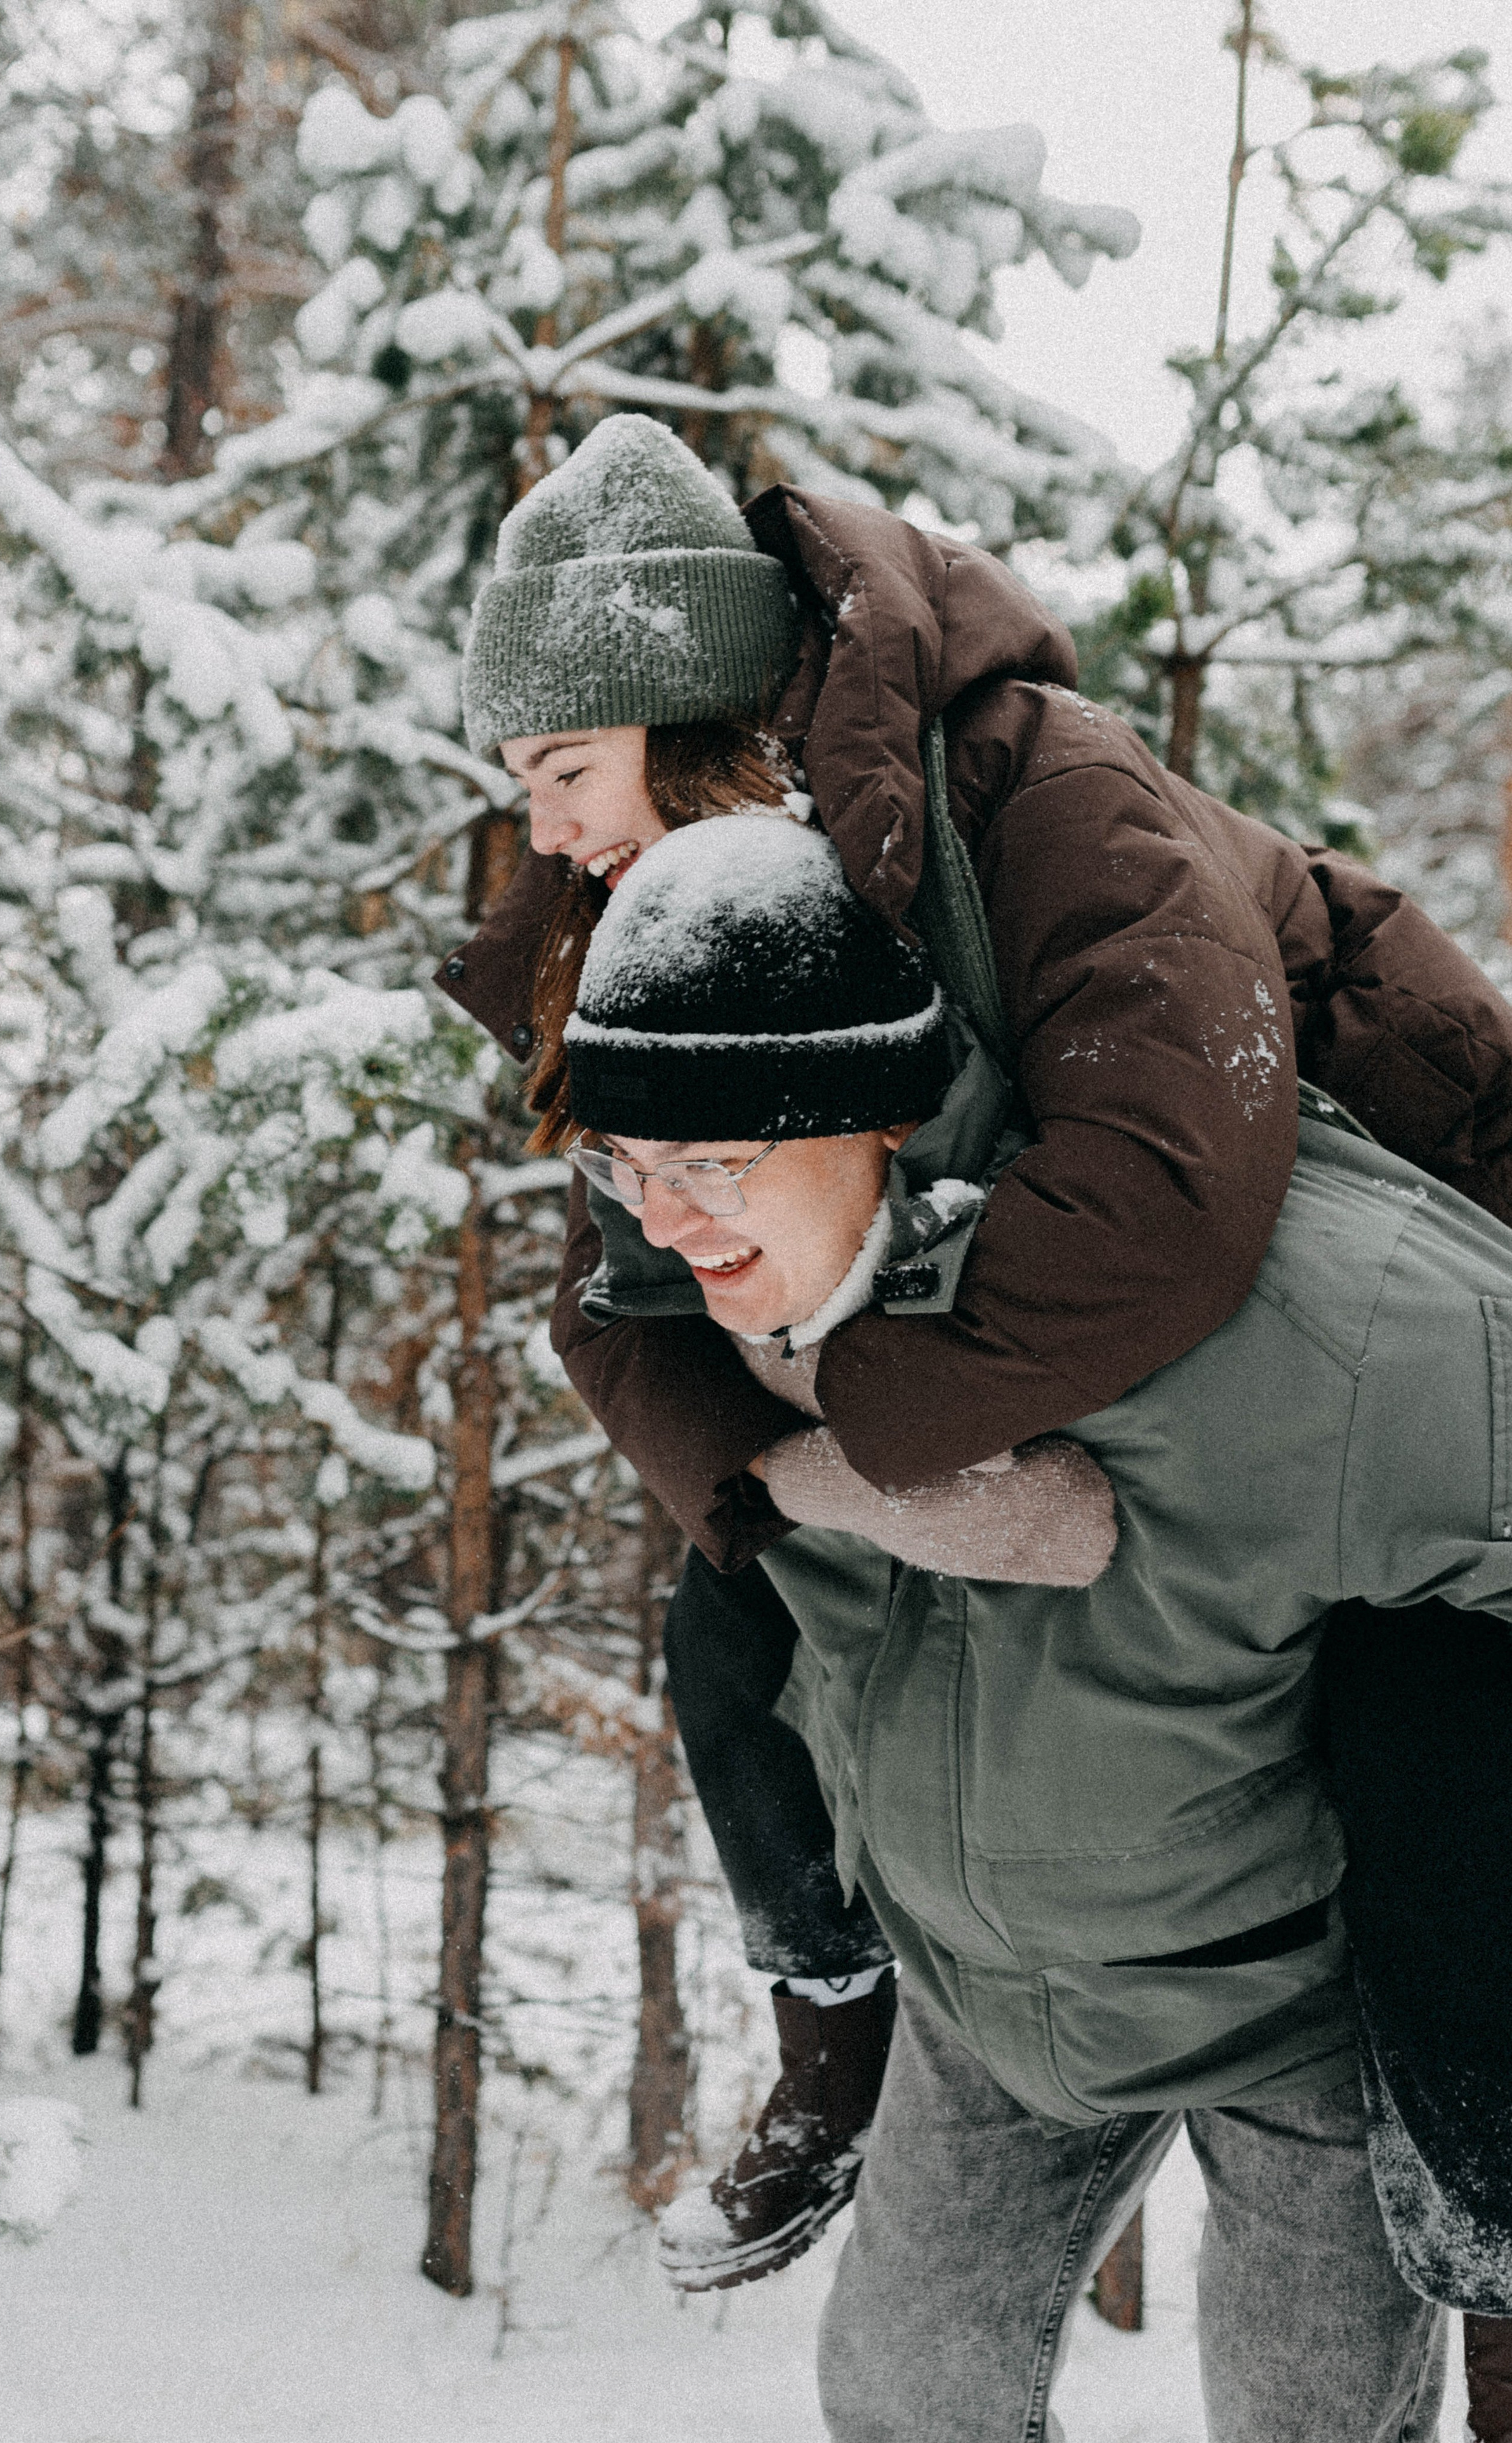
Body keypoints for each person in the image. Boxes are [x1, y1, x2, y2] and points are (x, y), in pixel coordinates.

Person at [439, 415, 1512, 2420]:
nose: (545, 826)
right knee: (730, 1600)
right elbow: (623, 1282)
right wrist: (805, 1471)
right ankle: (832, 2014)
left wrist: (891, 1416)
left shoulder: (1037, 798)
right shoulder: (690, 919)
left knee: (1436, 1749)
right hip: (998, 1803)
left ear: (690, 715)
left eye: (563, 768)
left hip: (1351, 1191)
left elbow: (1171, 1194)